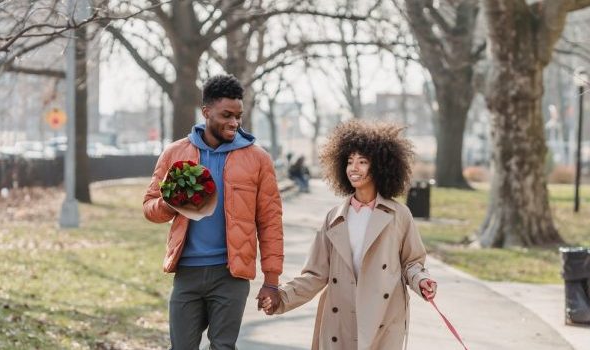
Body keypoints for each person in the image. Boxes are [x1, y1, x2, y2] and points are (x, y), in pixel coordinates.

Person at [261, 120, 437, 350]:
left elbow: (411, 262)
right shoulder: (334, 217)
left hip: (383, 319)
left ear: (381, 166)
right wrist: (281, 297)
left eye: (362, 162)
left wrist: (421, 280)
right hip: (340, 318)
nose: (354, 168)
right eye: (349, 161)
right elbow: (315, 274)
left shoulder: (399, 215)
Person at [143, 74, 284, 349]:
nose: (234, 122)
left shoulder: (258, 159)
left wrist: (272, 281)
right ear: (206, 112)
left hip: (231, 275)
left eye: (238, 116)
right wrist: (171, 201)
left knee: (222, 347)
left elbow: (270, 222)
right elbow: (149, 208)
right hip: (187, 272)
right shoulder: (175, 153)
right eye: (226, 115)